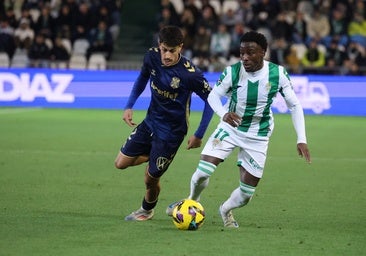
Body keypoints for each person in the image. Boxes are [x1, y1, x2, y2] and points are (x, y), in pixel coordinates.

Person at [166, 31, 311, 228]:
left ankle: (225, 210)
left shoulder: (278, 74)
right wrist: (223, 114)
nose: (245, 58)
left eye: (250, 53)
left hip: (258, 136)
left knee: (246, 194)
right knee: (202, 172)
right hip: (230, 128)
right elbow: (213, 96)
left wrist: (301, 138)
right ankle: (192, 200)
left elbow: (294, 105)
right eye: (242, 53)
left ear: (263, 52)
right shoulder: (232, 72)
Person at [115, 25, 214, 221]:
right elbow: (142, 77)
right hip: (150, 122)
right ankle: (153, 157)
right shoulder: (151, 57)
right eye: (164, 50)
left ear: (181, 48)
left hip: (171, 132)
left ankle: (146, 210)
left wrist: (199, 134)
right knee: (120, 163)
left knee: (150, 178)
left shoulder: (190, 74)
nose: (167, 55)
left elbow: (211, 101)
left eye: (172, 50)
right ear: (159, 45)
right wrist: (129, 105)